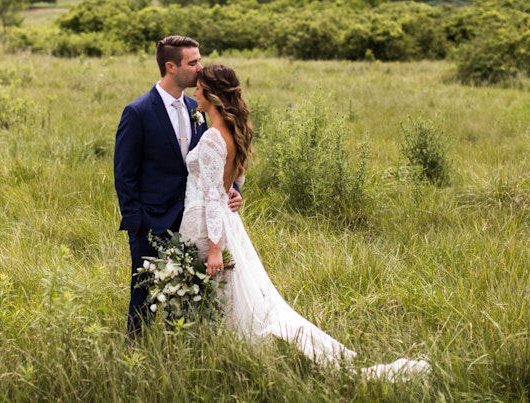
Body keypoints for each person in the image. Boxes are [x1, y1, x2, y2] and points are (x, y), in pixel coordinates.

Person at [179, 64, 430, 380]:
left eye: (200, 88)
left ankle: (231, 354)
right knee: (228, 293)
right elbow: (235, 182)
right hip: (222, 223)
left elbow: (213, 197)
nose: (195, 92)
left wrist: (215, 248)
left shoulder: (214, 137)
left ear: (213, 95)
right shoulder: (234, 132)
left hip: (209, 227)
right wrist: (231, 193)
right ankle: (221, 351)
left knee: (221, 292)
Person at [114, 36, 242, 336]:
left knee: (190, 295)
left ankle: (178, 349)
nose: (200, 68)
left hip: (193, 222)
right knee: (144, 294)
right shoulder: (138, 112)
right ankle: (137, 347)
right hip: (151, 221)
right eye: (193, 62)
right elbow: (124, 174)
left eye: (200, 60)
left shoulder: (198, 108)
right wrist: (137, 223)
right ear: (171, 66)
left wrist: (233, 190)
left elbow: (217, 158)